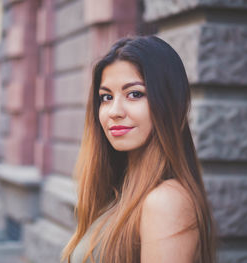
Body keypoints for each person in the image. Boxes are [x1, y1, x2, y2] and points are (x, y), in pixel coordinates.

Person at [62, 36, 216, 263]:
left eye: (134, 94)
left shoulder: (165, 201)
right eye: (106, 97)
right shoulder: (119, 192)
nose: (114, 111)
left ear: (170, 103)